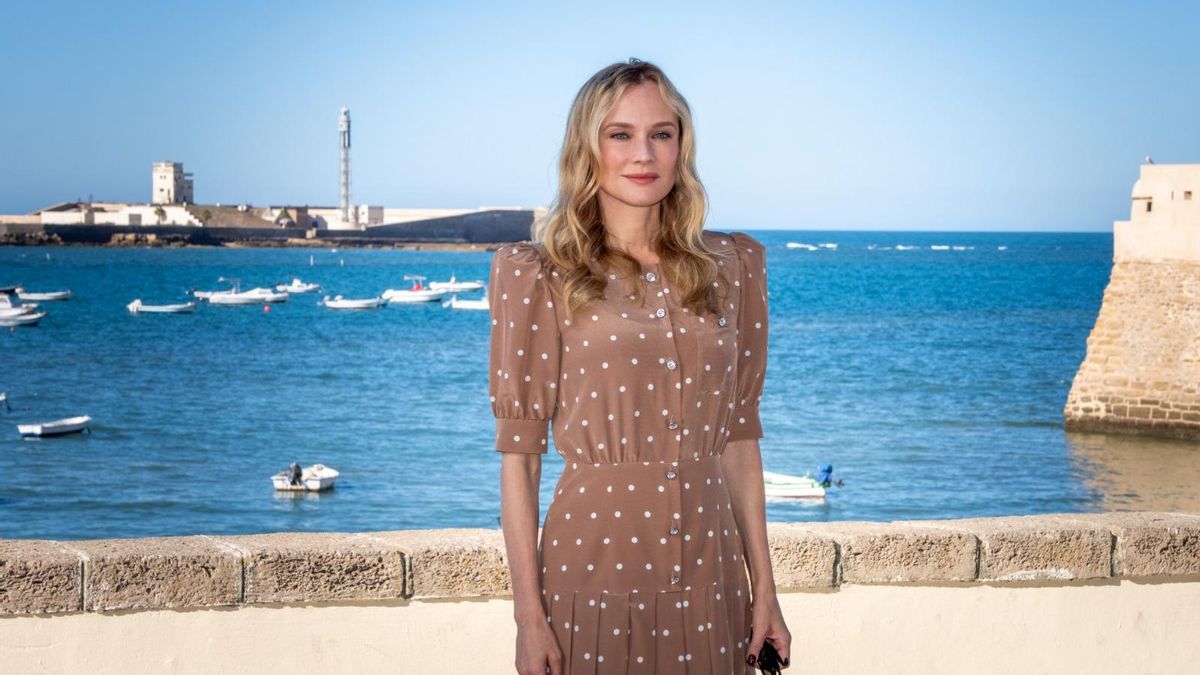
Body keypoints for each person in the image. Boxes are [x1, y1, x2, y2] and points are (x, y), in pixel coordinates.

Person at [489, 58, 791, 674]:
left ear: (682, 145)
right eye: (620, 134)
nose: (643, 153)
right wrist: (528, 617)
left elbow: (739, 439)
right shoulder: (537, 275)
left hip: (714, 582)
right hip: (590, 575)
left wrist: (767, 591)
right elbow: (520, 459)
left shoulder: (732, 269)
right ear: (588, 147)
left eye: (662, 133)